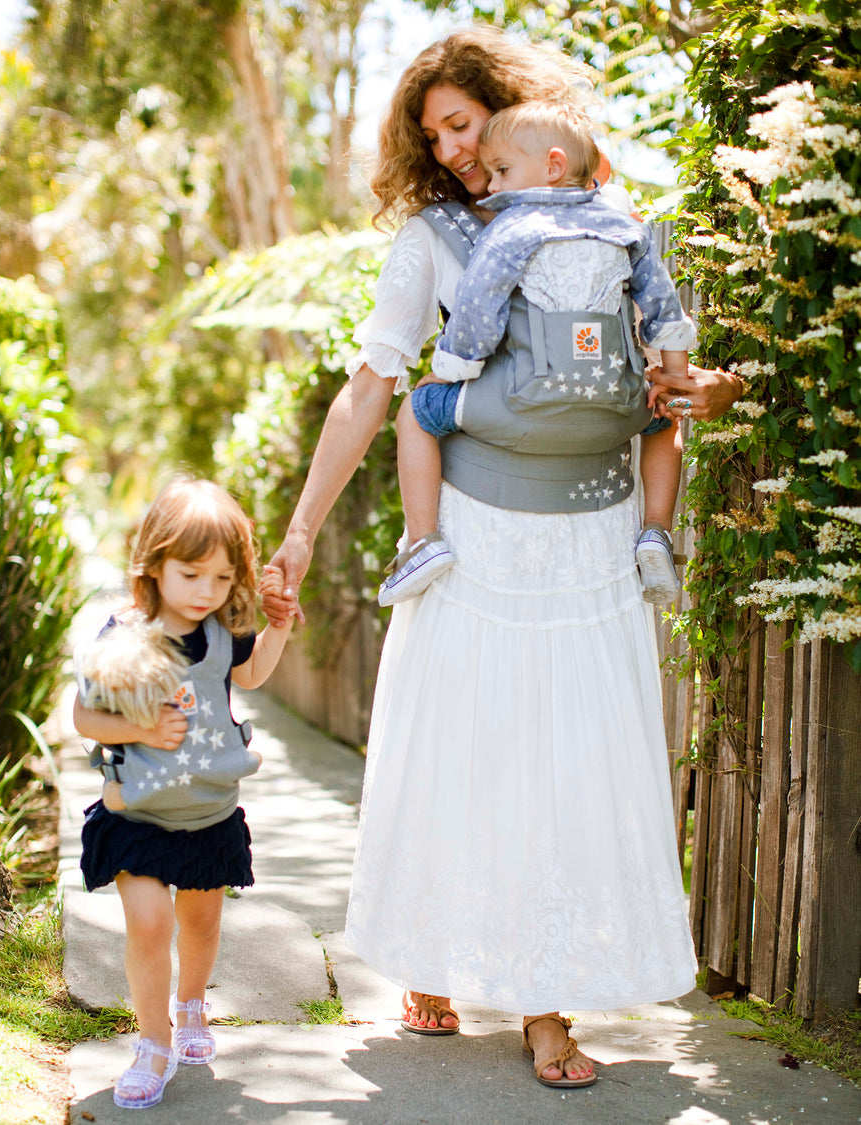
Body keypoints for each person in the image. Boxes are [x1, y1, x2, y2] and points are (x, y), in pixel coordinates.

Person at [263, 26, 742, 1089]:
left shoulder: (613, 223)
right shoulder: (432, 241)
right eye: (430, 136)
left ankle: (546, 1009)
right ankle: (439, 957)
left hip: (591, 536)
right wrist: (298, 530)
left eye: (462, 124)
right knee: (470, 752)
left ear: (512, 114)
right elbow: (371, 389)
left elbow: (668, 372)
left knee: (566, 766)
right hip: (479, 541)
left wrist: (709, 391)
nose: (450, 150)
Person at [378, 99, 696, 607]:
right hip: (615, 407)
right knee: (662, 420)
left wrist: (452, 371)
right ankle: (656, 530)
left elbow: (477, 317)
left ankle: (422, 542)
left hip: (521, 403)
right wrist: (673, 380)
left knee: (415, 414)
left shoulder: (508, 231)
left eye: (501, 169)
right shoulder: (624, 225)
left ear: (551, 166)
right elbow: (663, 309)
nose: (495, 182)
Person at [73, 478, 293, 1110]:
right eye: (192, 574)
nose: (207, 592)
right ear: (156, 564)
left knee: (200, 919)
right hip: (138, 811)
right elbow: (86, 719)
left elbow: (249, 674)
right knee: (148, 923)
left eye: (223, 579)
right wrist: (141, 728)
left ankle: (192, 1007)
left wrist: (276, 626)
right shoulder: (125, 634)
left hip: (207, 812)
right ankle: (152, 1042)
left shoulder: (221, 630)